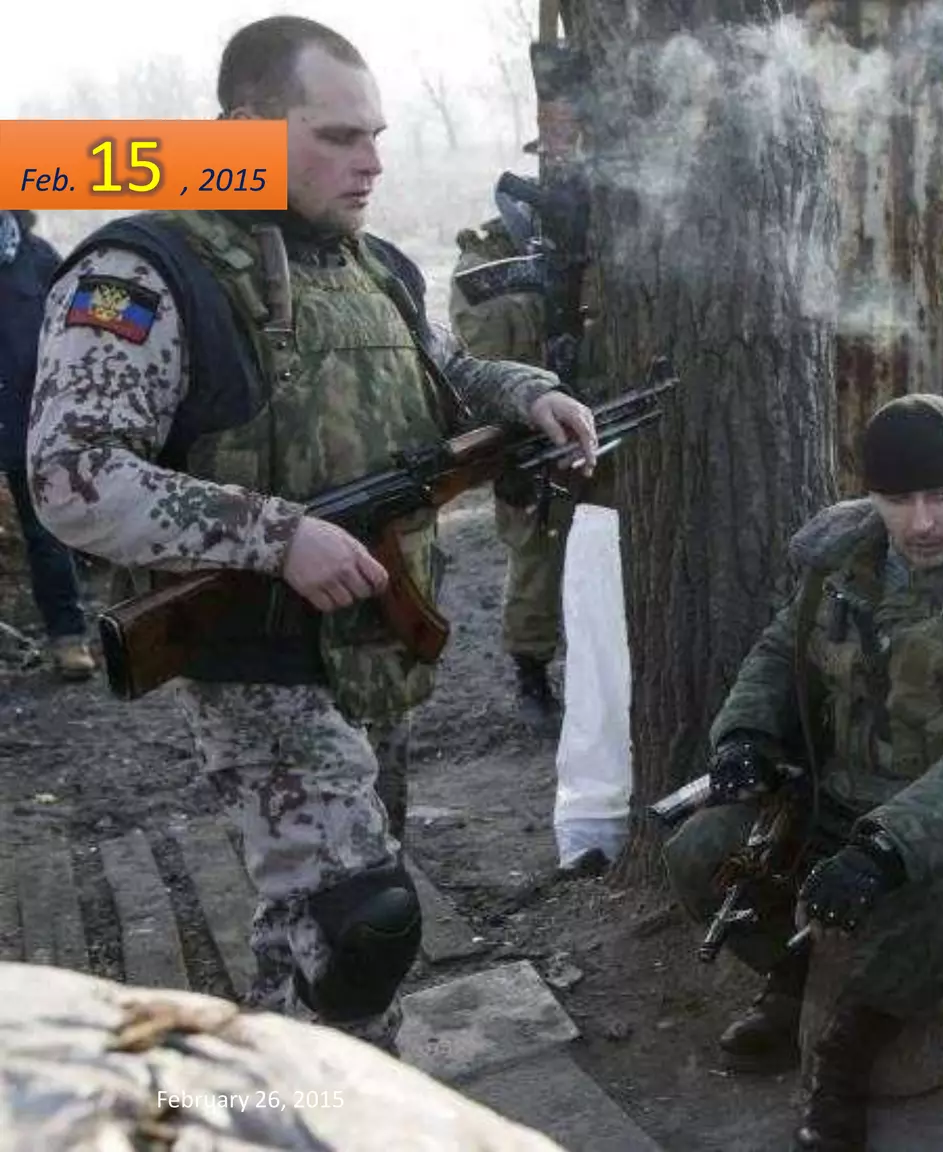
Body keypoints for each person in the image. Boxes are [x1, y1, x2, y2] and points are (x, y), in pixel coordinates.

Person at [27, 16, 599, 1052]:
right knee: (361, 928)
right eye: (338, 135)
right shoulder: (148, 271)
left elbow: (442, 374)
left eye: (375, 134)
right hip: (263, 666)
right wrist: (275, 533)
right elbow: (72, 477)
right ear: (243, 131)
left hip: (371, 652)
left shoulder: (370, 264)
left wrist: (528, 394)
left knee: (312, 934)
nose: (372, 160)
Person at [662, 393, 943, 1150]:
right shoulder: (844, 566)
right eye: (898, 500)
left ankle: (845, 1054)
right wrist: (745, 737)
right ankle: (793, 987)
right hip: (843, 788)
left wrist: (887, 847)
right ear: (872, 498)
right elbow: (775, 652)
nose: (922, 523)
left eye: (942, 496)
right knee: (698, 855)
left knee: (932, 902)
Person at [451, 198, 569, 727]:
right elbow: (477, 363)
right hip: (527, 431)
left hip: (592, 420)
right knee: (537, 555)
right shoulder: (491, 259)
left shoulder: (592, 230)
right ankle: (532, 675)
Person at [1, 209, 94, 681]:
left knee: (45, 533)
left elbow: (74, 330)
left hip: (29, 418)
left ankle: (68, 638)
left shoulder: (38, 259)